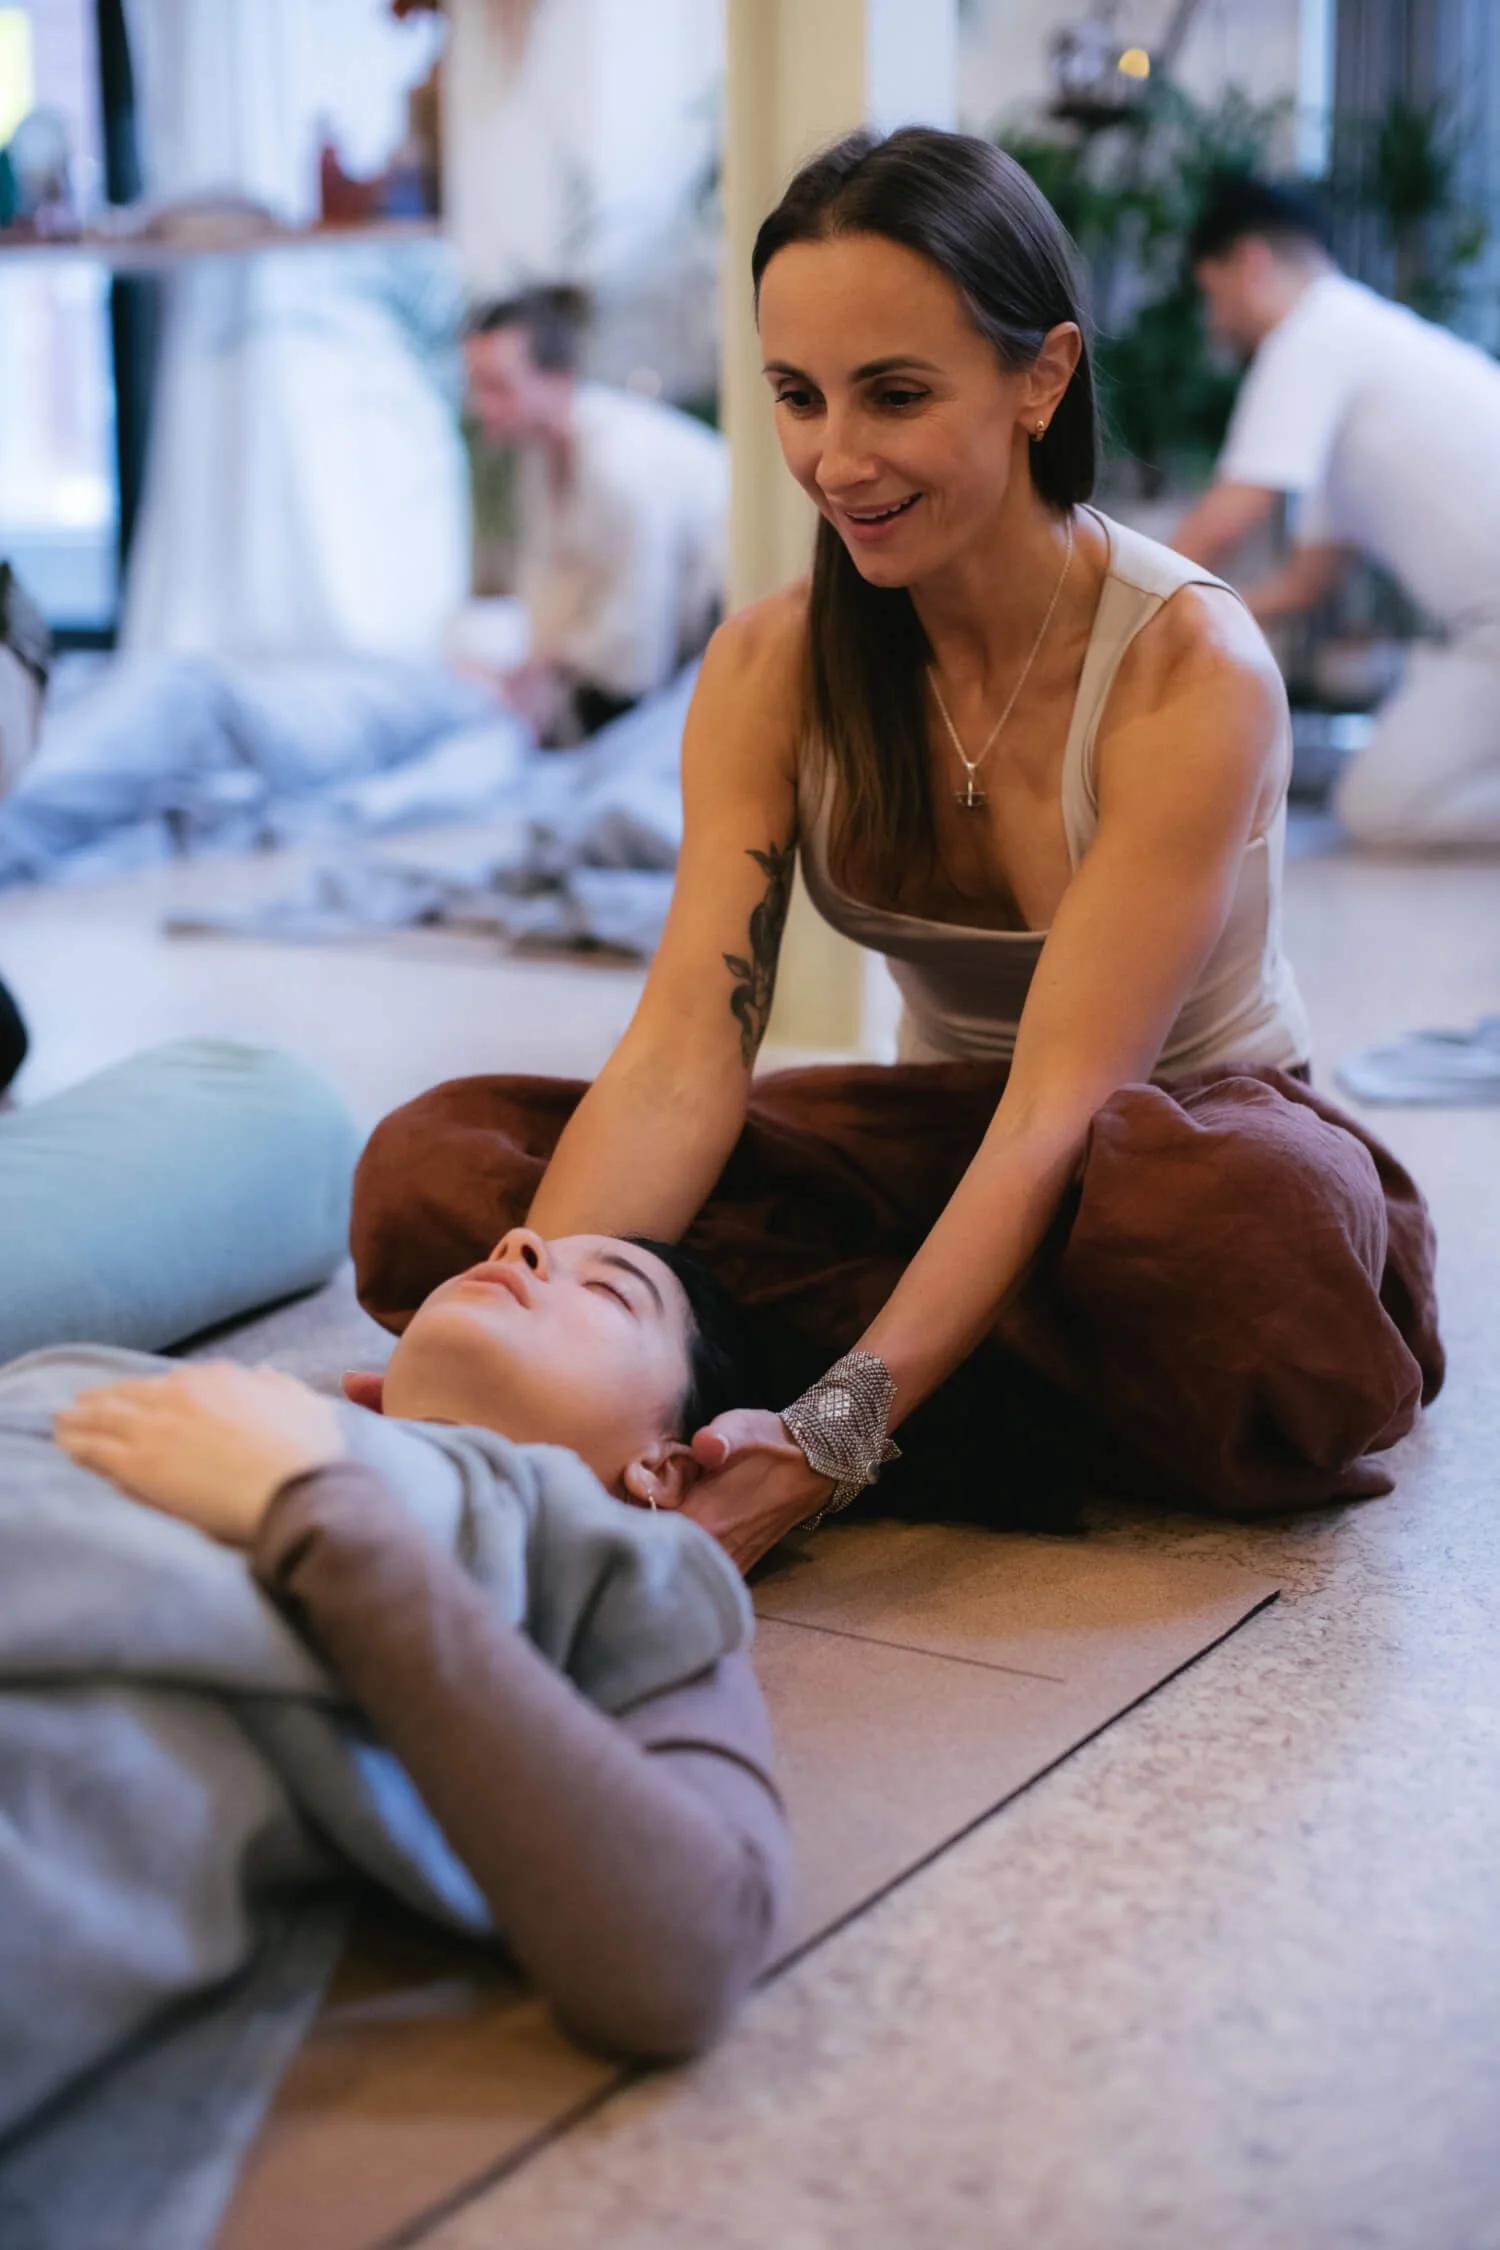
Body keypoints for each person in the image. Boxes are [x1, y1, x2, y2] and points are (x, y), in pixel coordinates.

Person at [351, 128, 1443, 1570]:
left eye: (897, 394)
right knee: (436, 1172)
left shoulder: (1191, 668)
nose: (837, 459)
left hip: (1175, 1137)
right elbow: (688, 1047)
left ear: (1040, 377)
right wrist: (549, 1301)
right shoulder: (769, 667)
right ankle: (933, 1399)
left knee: (1237, 1251)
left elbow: (1062, 1107)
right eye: (799, 397)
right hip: (940, 1141)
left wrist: (833, 1437)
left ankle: (857, 1403)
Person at [44, 1224, 787, 2063]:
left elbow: (690, 1955)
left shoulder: (624, 1564)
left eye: (611, 1290)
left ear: (663, 1471)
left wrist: (316, 1508)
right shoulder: (205, 1390)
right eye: (524, 1245)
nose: (520, 1244)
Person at [1172, 172, 1500, 848]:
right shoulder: (1353, 350)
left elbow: (1228, 516)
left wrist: (1113, 611)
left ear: (1251, 264)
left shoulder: (1312, 337)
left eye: (1214, 295)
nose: (1216, 321)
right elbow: (1308, 581)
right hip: (1485, 633)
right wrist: (1190, 617)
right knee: (1376, 806)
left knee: (1383, 809)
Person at [464, 286, 728, 739]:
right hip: (656, 640)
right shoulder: (540, 460)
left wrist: (554, 667)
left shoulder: (623, 464)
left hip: (711, 620)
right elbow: (550, 580)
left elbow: (638, 635)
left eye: (498, 386)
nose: (480, 406)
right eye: (476, 386)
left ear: (559, 378)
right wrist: (534, 667)